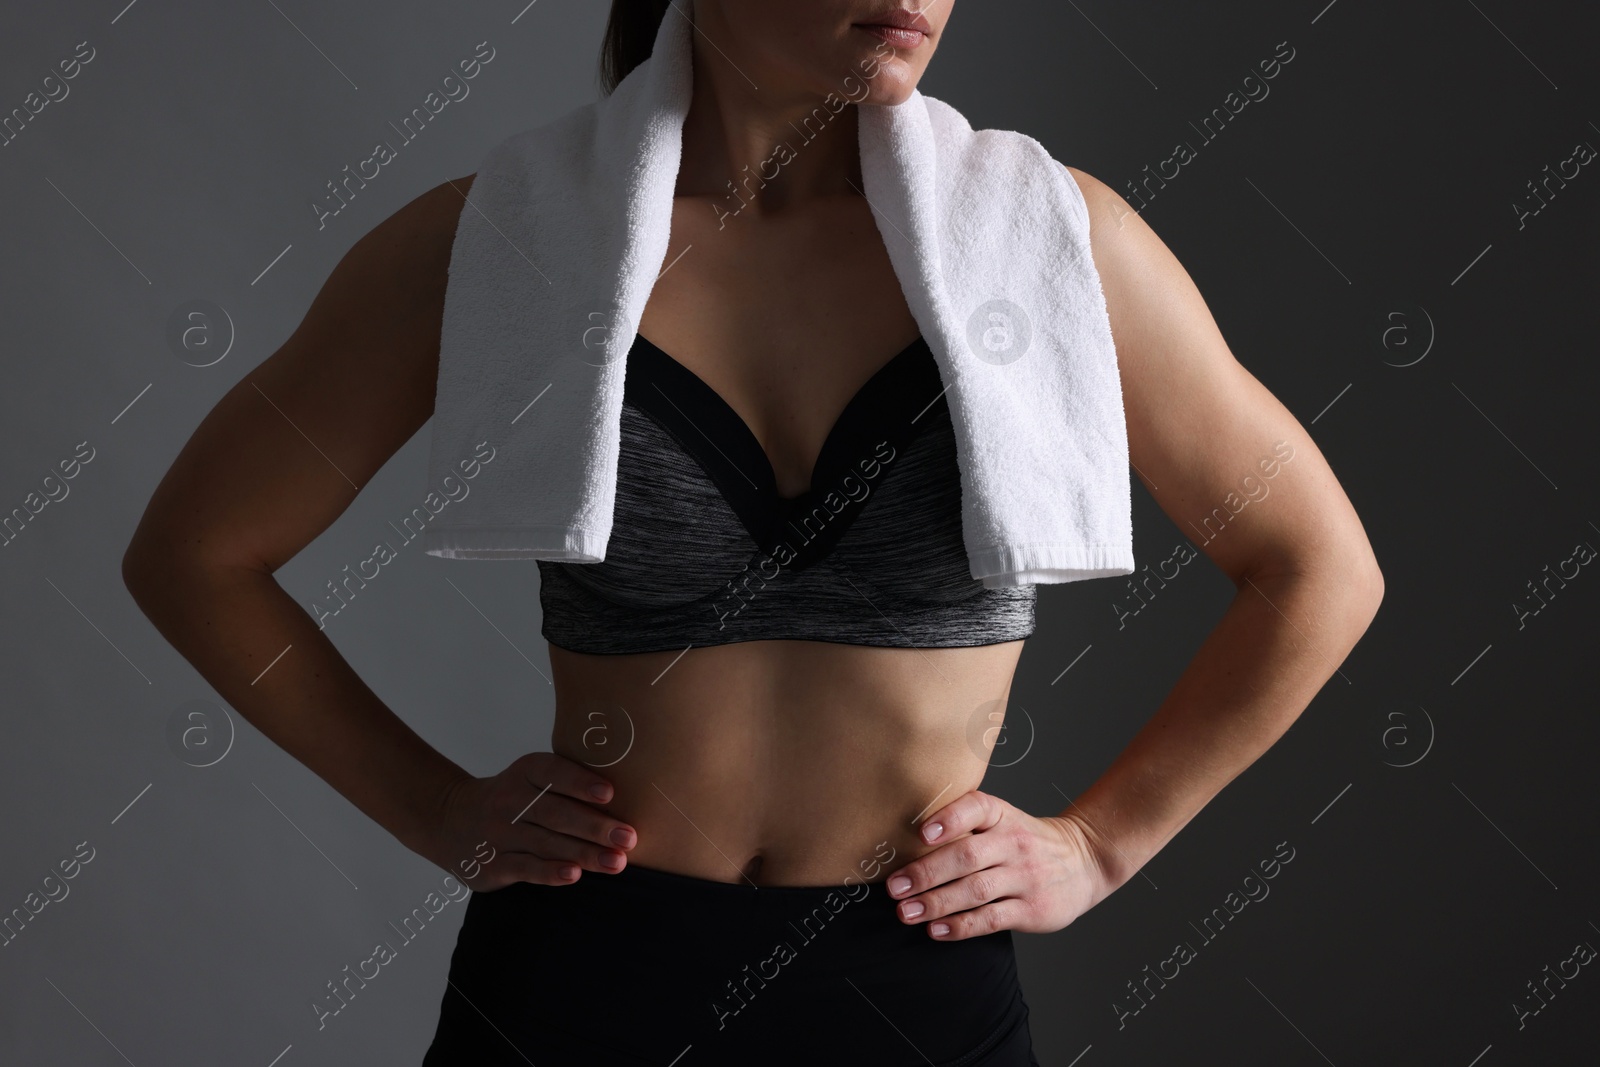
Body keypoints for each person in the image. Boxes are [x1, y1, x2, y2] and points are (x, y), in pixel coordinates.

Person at [120, 2, 1384, 1064]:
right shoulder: (505, 237)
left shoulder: (1057, 243)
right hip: (581, 984)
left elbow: (1315, 568)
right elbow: (197, 552)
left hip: (912, 986)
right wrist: (430, 805)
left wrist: (1102, 843)